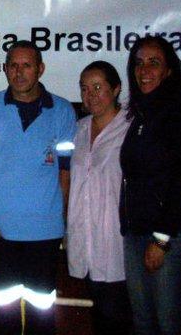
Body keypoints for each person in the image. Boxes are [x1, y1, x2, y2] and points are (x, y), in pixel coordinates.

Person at [0, 40, 76, 335]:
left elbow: (66, 172)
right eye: (13, 65)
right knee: (5, 313)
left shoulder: (62, 111)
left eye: (27, 65)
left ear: (40, 69)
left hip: (45, 232)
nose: (19, 72)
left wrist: (61, 219)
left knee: (42, 313)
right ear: (5, 69)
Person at [120, 35, 181, 335]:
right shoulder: (142, 114)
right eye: (139, 63)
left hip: (172, 237)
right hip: (138, 232)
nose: (144, 70)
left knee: (169, 325)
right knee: (144, 323)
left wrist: (160, 239)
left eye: (154, 63)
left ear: (169, 70)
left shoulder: (180, 111)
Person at [66, 61, 131, 335]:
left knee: (121, 314)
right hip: (86, 236)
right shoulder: (77, 130)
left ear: (116, 89)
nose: (90, 95)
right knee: (100, 312)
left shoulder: (132, 128)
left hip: (120, 240)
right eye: (84, 88)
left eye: (97, 87)